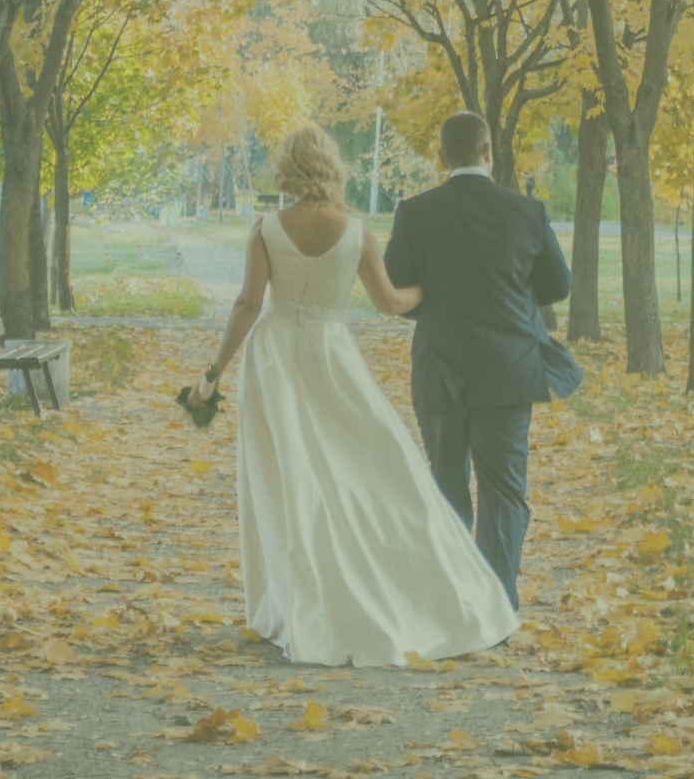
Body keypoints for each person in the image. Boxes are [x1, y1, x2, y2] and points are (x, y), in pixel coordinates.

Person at [185, 125, 518, 667]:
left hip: (274, 361)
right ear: (332, 167)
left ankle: (302, 604)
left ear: (289, 170)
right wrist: (434, 287)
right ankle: (403, 589)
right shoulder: (356, 232)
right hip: (333, 356)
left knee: (287, 482)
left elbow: (247, 304)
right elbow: (391, 302)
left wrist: (211, 376)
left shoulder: (266, 229)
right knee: (370, 469)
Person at [383, 111, 578, 610]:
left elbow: (398, 284)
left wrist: (443, 302)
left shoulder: (416, 212)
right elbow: (558, 285)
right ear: (489, 151)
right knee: (505, 490)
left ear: (441, 157)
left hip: (441, 368)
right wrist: (510, 292)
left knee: (446, 481)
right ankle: (497, 603)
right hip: (510, 369)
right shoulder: (527, 212)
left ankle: (451, 602)